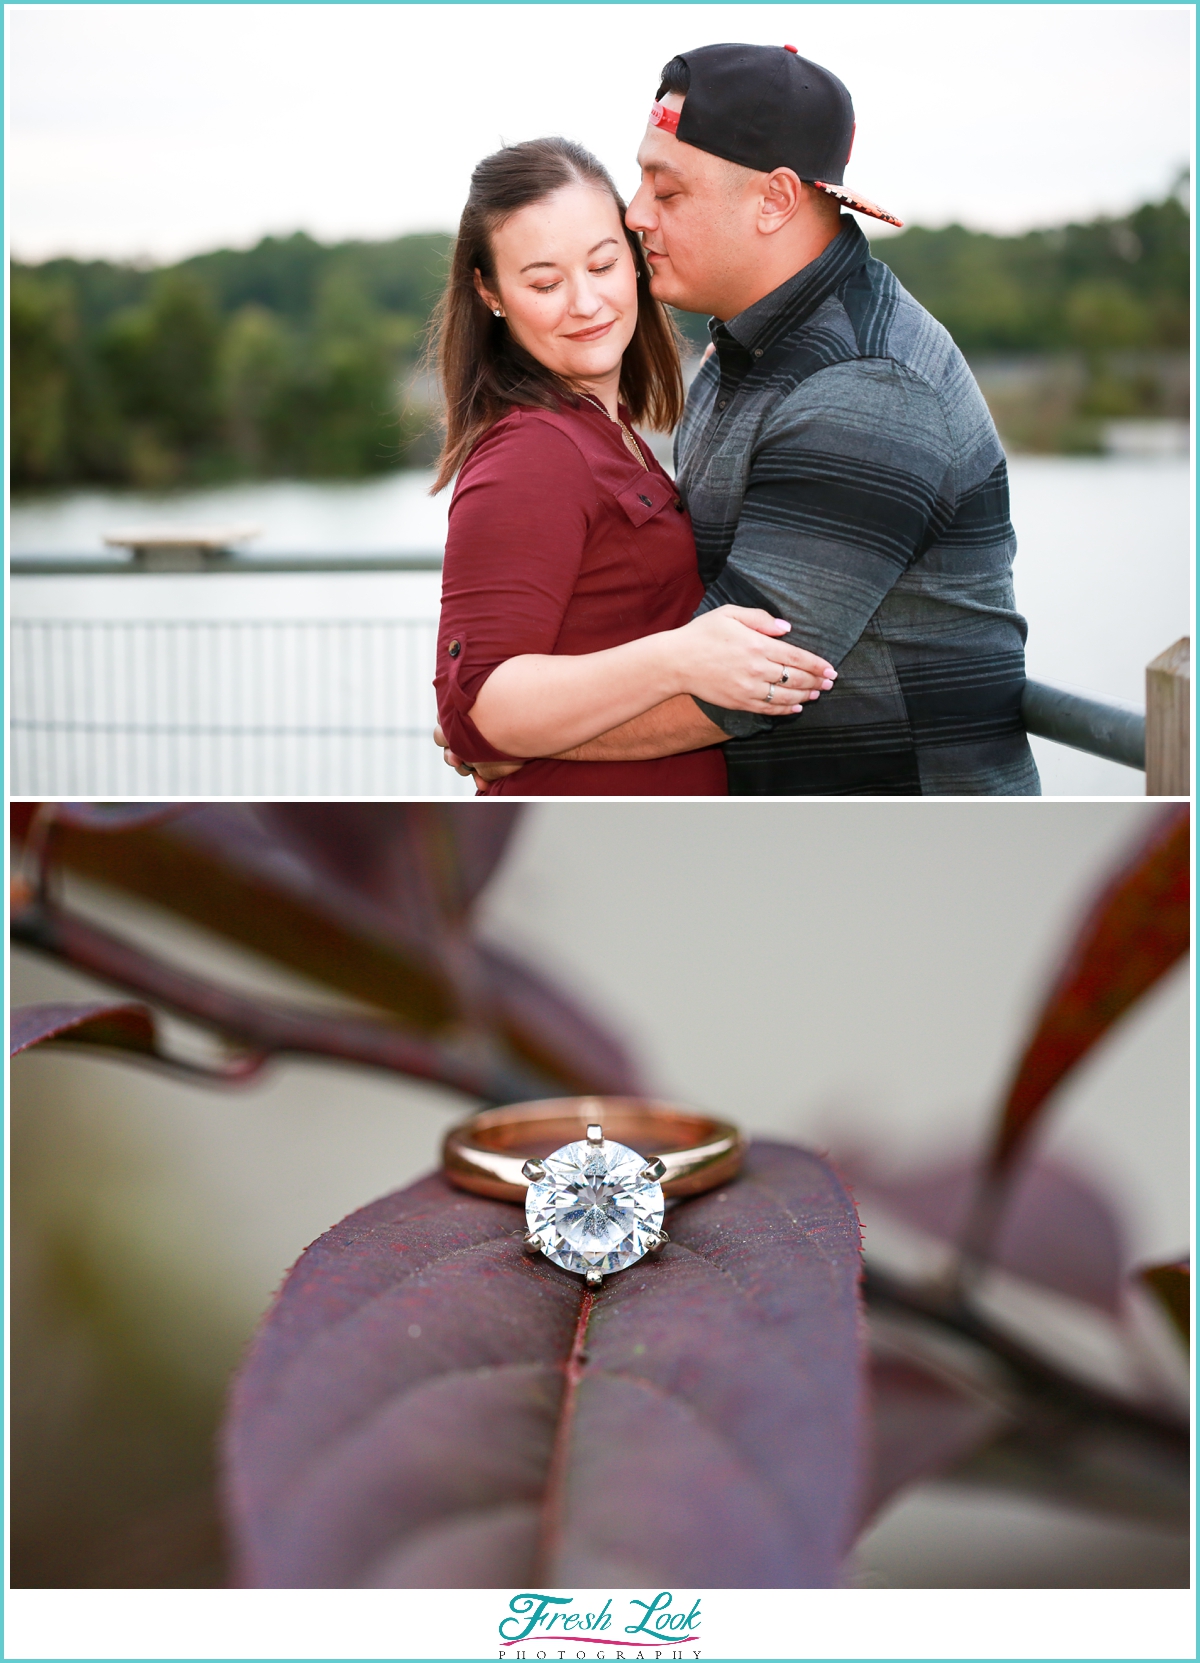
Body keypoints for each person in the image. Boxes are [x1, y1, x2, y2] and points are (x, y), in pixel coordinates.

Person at [442, 44, 1041, 796]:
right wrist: (498, 719)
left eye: (667, 191)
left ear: (775, 199)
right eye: (640, 180)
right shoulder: (745, 350)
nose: (635, 214)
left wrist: (511, 743)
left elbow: (750, 685)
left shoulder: (863, 382)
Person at [430, 135, 837, 796]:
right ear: (490, 292)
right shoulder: (530, 454)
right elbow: (479, 708)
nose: (585, 302)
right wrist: (678, 658)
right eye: (544, 282)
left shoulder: (609, 434)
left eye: (602, 263)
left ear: (635, 259)